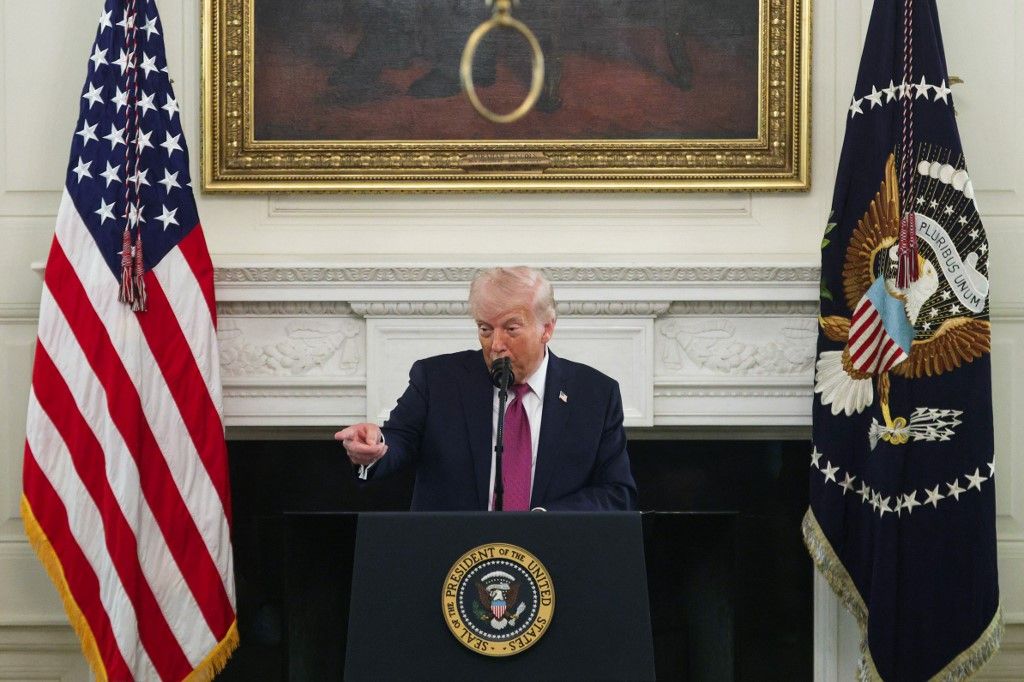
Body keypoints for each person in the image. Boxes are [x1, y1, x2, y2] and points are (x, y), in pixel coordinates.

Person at [335, 266, 636, 511]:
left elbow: (616, 492)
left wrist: (548, 520)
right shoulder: (437, 379)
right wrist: (374, 447)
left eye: (511, 329)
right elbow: (400, 439)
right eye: (485, 329)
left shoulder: (595, 394)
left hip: (554, 559)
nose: (496, 345)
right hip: (453, 559)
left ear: (547, 328)